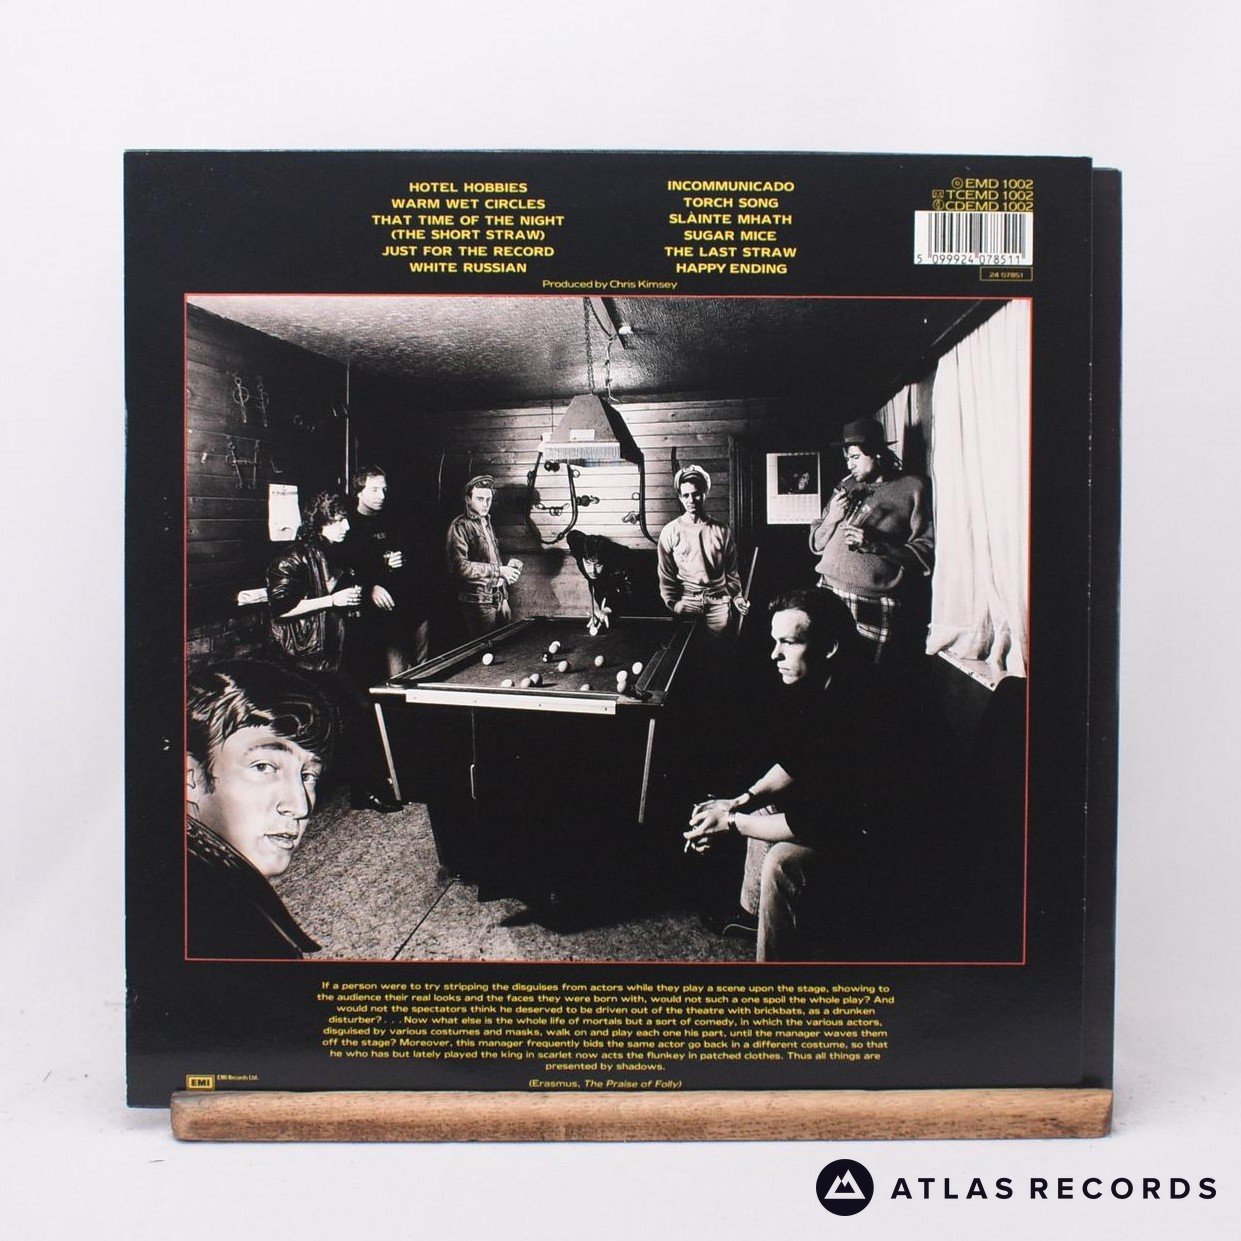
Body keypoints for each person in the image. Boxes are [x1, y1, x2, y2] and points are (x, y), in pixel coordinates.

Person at [682, 589, 907, 962]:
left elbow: (820, 819)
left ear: (829, 646)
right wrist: (740, 801)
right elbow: (798, 761)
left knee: (783, 861)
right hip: (856, 819)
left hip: (896, 846)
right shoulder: (826, 678)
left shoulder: (864, 704)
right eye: (775, 642)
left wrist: (732, 823)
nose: (775, 654)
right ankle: (756, 917)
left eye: (789, 643)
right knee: (763, 809)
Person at [185, 660, 334, 959]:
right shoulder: (216, 931)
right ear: (190, 777)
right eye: (264, 767)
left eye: (308, 776)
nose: (300, 806)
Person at [267, 490, 401, 813]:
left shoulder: (332, 550)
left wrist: (379, 572)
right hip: (309, 656)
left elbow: (352, 575)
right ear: (320, 523)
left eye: (345, 519)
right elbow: (280, 608)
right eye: (338, 521)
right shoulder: (292, 558)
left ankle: (365, 787)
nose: (346, 526)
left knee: (357, 714)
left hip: (335, 649)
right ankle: (362, 791)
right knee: (356, 713)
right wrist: (332, 600)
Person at [809, 418, 934, 664]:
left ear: (876, 453)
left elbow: (924, 553)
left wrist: (876, 544)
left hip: (872, 601)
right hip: (827, 590)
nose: (849, 465)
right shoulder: (846, 485)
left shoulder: (913, 488)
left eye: (855, 457)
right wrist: (832, 517)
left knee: (866, 674)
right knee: (824, 668)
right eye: (847, 458)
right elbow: (817, 544)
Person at [340, 464, 431, 681]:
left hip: (409, 608)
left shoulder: (394, 519)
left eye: (384, 489)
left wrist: (402, 560)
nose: (381, 495)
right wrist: (369, 588)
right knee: (395, 678)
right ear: (359, 492)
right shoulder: (346, 525)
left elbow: (415, 557)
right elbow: (343, 571)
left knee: (424, 671)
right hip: (377, 619)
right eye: (374, 490)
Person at [656, 464, 750, 634]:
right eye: (686, 495)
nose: (691, 500)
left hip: (718, 605)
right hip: (687, 603)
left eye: (696, 494)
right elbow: (665, 575)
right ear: (680, 497)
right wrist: (674, 604)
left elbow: (731, 572)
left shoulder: (722, 531)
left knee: (719, 650)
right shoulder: (670, 531)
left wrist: (737, 597)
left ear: (705, 493)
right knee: (687, 650)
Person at [445, 474, 521, 638]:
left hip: (497, 598)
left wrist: (504, 598)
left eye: (489, 499)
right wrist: (499, 571)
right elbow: (460, 567)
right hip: (476, 602)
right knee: (486, 647)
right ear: (468, 499)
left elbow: (494, 559)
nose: (486, 504)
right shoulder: (459, 526)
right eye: (480, 499)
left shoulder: (486, 521)